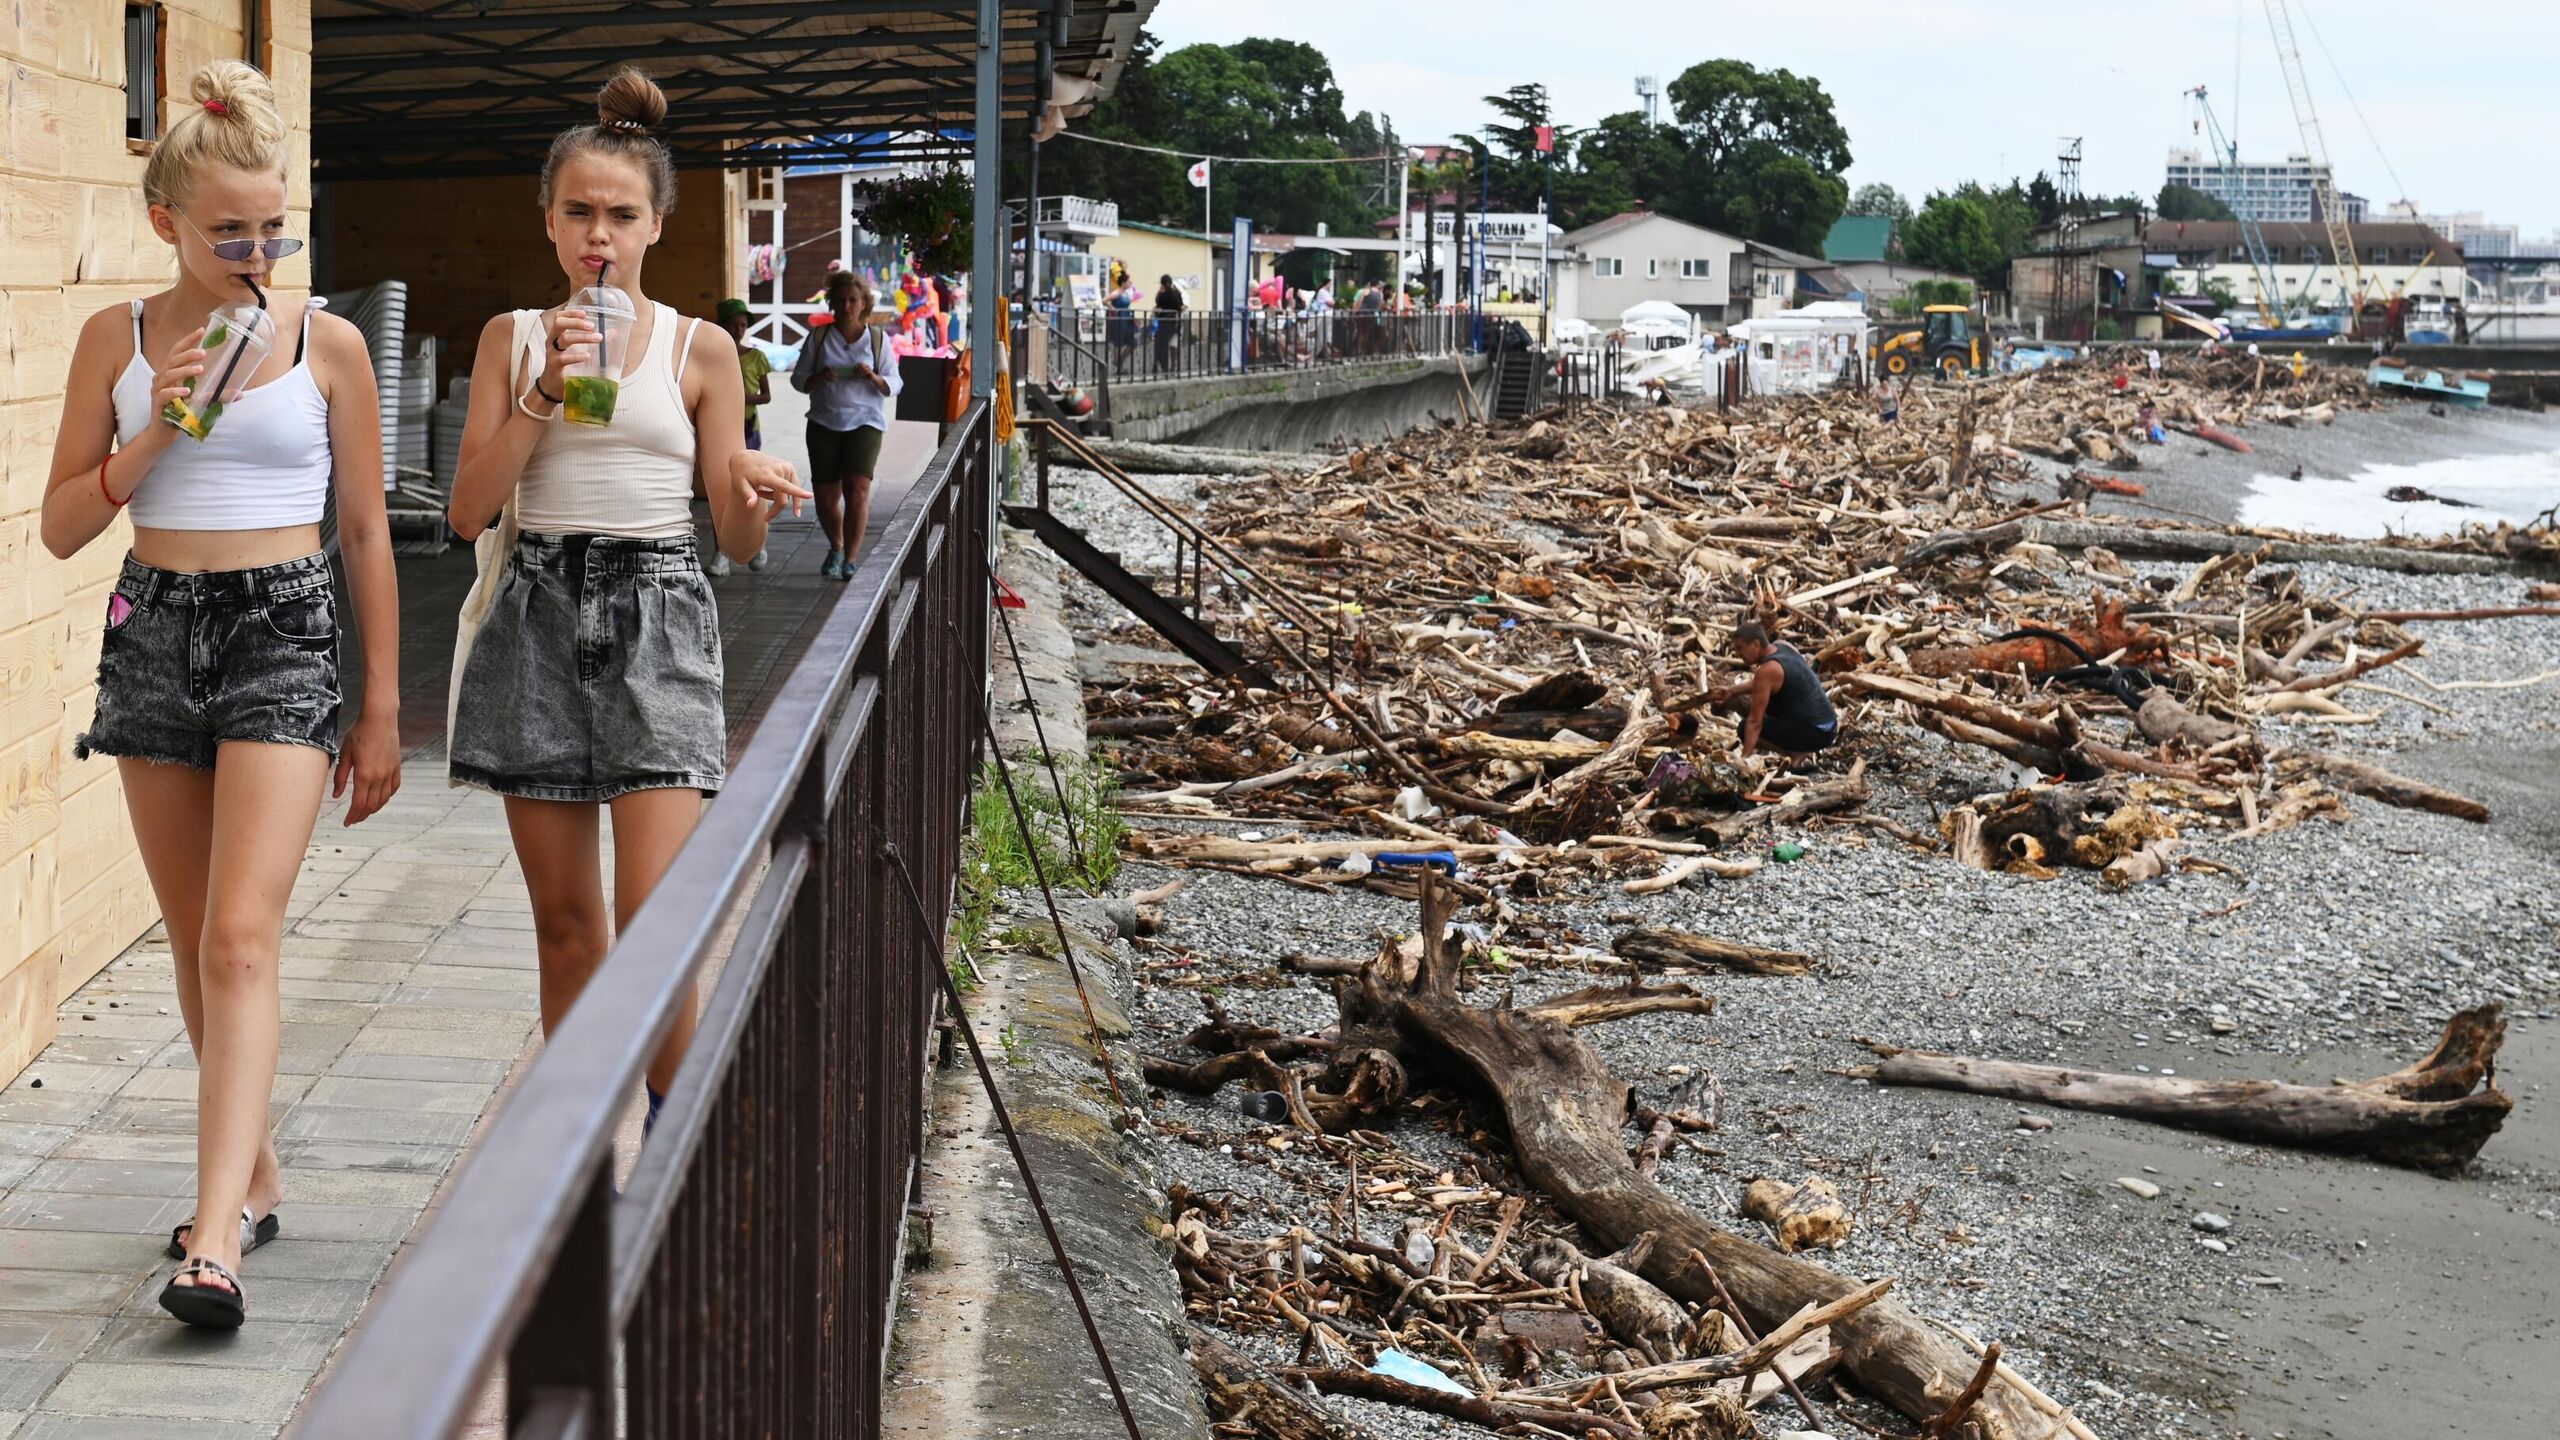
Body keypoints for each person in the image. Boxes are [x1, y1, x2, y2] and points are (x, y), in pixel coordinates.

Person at [41, 59, 403, 1329]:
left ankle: (212, 1247)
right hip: (154, 624)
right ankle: (249, 1178)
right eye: (227, 230)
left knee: (243, 935)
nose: (255, 251)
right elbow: (58, 530)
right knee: (197, 940)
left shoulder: (330, 344)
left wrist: (383, 707)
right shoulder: (118, 341)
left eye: (272, 226)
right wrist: (158, 428)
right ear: (167, 228)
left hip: (284, 626)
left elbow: (365, 531)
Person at [445, 69, 810, 1165]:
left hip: (658, 608)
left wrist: (750, 486)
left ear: (657, 225)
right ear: (548, 219)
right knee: (567, 927)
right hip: (537, 611)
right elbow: (466, 509)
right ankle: (580, 1154)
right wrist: (546, 393)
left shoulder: (700, 349)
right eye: (578, 213)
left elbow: (737, 549)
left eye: (621, 215)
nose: (598, 235)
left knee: (659, 927)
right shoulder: (512, 337)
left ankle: (676, 1150)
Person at [792, 270, 902, 578]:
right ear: (832, 302)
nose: (847, 305)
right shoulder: (819, 337)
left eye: (853, 299)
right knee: (826, 500)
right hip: (824, 420)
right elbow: (798, 379)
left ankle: (852, 559)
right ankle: (836, 547)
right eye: (841, 299)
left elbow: (895, 381)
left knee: (858, 489)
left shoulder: (878, 339)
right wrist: (818, 377)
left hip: (866, 420)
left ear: (864, 303)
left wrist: (873, 377)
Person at [704, 298, 772, 577]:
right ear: (721, 326)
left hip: (747, 429)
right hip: (716, 428)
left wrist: (741, 398)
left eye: (742, 325)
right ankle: (722, 551)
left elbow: (766, 395)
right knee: (719, 487)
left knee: (754, 485)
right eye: (732, 325)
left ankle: (757, 542)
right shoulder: (711, 356)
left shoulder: (756, 357)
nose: (738, 330)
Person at [1708, 621, 1838, 758]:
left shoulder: (1768, 670)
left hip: (1815, 734)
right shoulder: (1784, 646)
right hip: (1830, 726)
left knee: (1744, 727)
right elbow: (1767, 683)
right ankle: (1798, 749)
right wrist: (1732, 690)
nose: (1738, 654)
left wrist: (1743, 760)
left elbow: (1755, 722)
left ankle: (1794, 753)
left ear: (1756, 644)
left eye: (1740, 648)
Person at [1105, 277, 1137, 373]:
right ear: (1123, 283)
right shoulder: (1116, 293)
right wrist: (1113, 308)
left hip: (1126, 318)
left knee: (1133, 343)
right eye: (1128, 282)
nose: (1130, 284)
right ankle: (1120, 367)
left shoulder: (1125, 293)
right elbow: (1105, 300)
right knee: (1118, 342)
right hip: (1119, 319)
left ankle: (1118, 361)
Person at [1152, 274, 1183, 374]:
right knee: (1171, 344)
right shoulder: (1176, 293)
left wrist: (1159, 292)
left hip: (1164, 322)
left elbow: (1157, 302)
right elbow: (1180, 307)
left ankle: (1161, 365)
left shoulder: (1163, 295)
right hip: (1174, 322)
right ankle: (1172, 366)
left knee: (1161, 344)